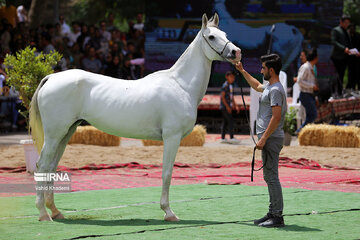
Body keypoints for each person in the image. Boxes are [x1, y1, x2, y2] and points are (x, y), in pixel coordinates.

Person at [236, 54, 287, 228]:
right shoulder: (269, 87)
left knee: (272, 177)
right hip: (269, 138)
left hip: (271, 139)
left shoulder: (275, 90)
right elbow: (257, 85)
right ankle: (272, 212)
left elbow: (276, 116)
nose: (261, 70)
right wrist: (242, 71)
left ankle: (277, 216)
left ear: (271, 70)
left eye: (263, 68)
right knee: (269, 176)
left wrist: (264, 138)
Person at [296, 48, 319, 133]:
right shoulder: (305, 67)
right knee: (313, 115)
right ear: (315, 58)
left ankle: (303, 132)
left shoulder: (311, 67)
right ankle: (300, 131)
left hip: (310, 94)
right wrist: (312, 86)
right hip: (305, 94)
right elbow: (299, 80)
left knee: (311, 115)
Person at [330, 15, 351, 95]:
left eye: (348, 23)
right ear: (341, 22)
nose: (347, 25)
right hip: (337, 57)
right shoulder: (336, 30)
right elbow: (334, 42)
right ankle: (335, 91)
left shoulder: (346, 31)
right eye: (345, 23)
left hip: (345, 57)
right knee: (337, 75)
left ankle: (340, 90)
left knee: (342, 74)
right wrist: (343, 48)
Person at [219, 71, 240, 144]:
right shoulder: (225, 85)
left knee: (225, 122)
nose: (232, 78)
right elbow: (223, 97)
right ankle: (231, 137)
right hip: (224, 107)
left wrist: (235, 105)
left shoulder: (231, 86)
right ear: (226, 77)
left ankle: (223, 138)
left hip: (228, 106)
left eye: (233, 77)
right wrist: (227, 107)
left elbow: (231, 97)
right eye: (231, 77)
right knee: (230, 120)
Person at [347, 24, 360, 90]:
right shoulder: (346, 36)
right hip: (349, 59)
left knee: (358, 73)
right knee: (351, 74)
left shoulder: (358, 36)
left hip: (358, 58)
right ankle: (351, 87)